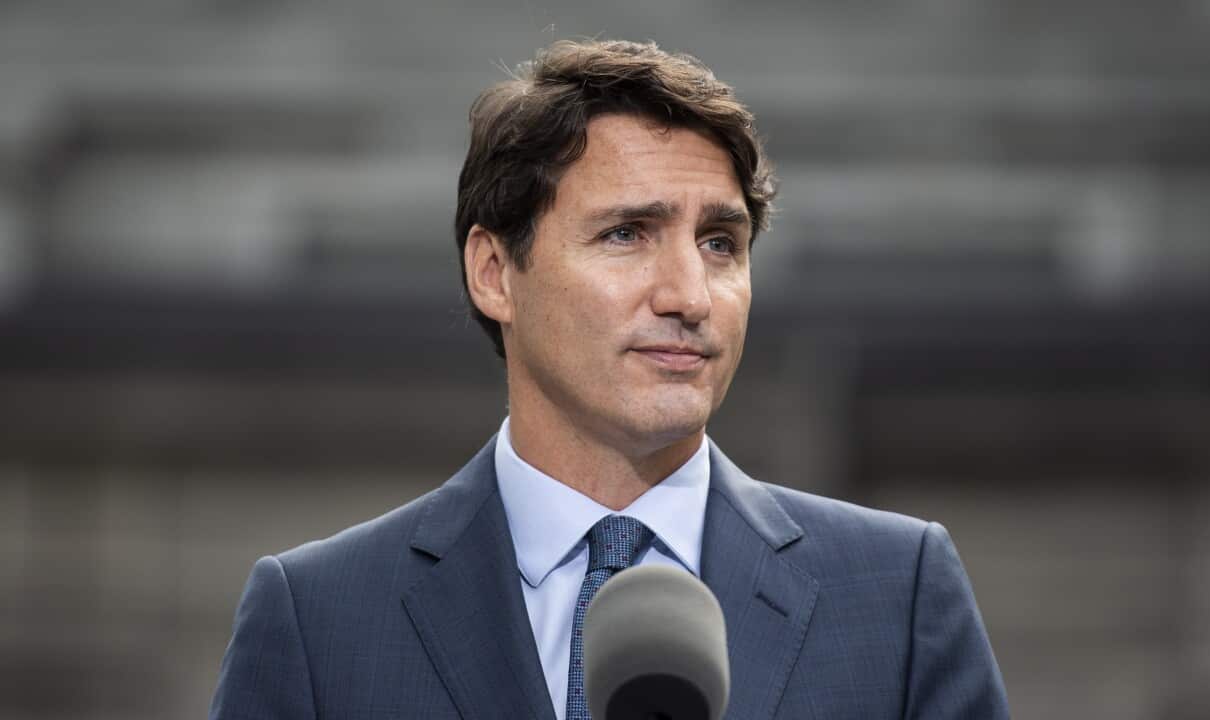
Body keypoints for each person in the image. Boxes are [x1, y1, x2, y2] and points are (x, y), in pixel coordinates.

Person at [210, 39, 1009, 720]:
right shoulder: (318, 619)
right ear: (494, 273)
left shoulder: (897, 595)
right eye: (627, 234)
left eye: (722, 243)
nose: (690, 296)